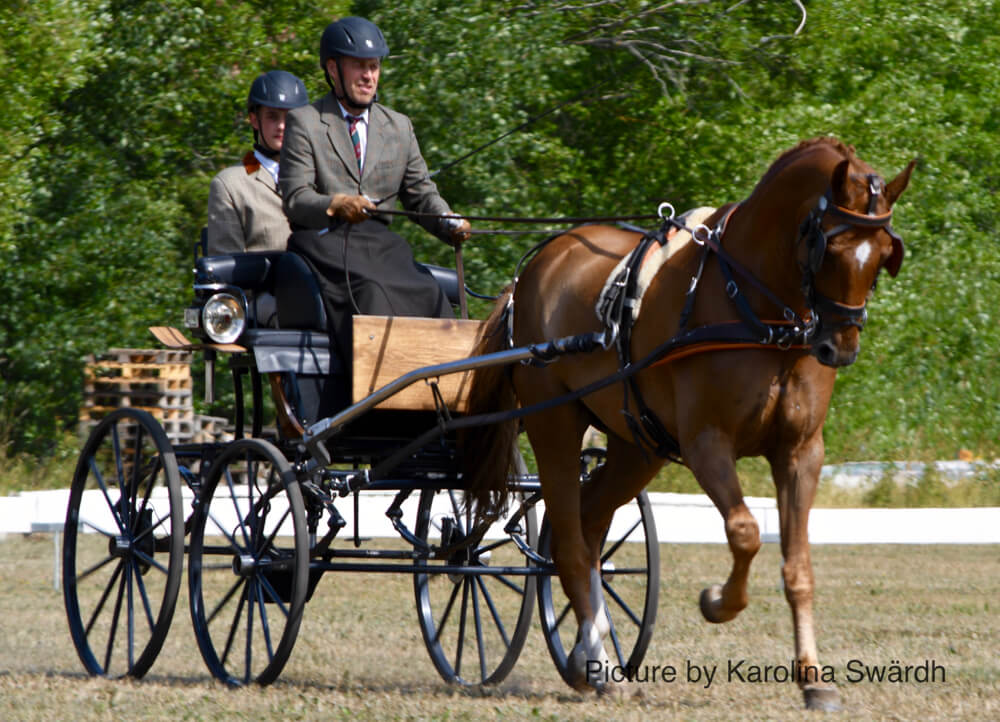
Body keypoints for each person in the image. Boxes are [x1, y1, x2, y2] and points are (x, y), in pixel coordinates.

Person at [279, 16, 471, 360]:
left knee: (430, 292)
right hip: (325, 244)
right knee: (372, 291)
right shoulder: (305, 122)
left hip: (381, 246)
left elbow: (421, 193)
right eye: (359, 66)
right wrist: (337, 203)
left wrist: (448, 220)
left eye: (374, 66)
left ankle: (447, 387)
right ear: (333, 69)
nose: (369, 76)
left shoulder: (398, 126)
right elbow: (295, 198)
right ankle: (377, 390)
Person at [205, 70, 309, 255]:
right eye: (272, 117)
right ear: (254, 120)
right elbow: (227, 264)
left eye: (290, 117)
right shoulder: (230, 185)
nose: (282, 126)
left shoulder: (318, 175)